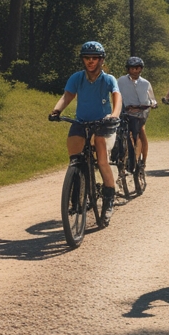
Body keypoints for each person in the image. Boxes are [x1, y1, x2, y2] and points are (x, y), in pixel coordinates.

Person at [48, 41, 122, 215]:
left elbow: (117, 97)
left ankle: (109, 196)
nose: (90, 61)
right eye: (87, 58)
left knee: (102, 157)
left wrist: (114, 114)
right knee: (75, 158)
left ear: (101, 60)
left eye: (94, 58)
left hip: (103, 123)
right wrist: (56, 110)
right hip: (81, 122)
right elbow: (67, 96)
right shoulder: (77, 77)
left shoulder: (108, 79)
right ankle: (77, 196)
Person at [117, 55, 157, 169]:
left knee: (140, 131)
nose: (135, 71)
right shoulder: (121, 81)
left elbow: (152, 98)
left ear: (141, 69)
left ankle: (142, 160)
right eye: (132, 68)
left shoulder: (145, 83)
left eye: (137, 68)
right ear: (128, 69)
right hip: (125, 111)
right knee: (119, 131)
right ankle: (120, 154)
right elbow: (115, 94)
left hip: (141, 113)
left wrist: (153, 104)